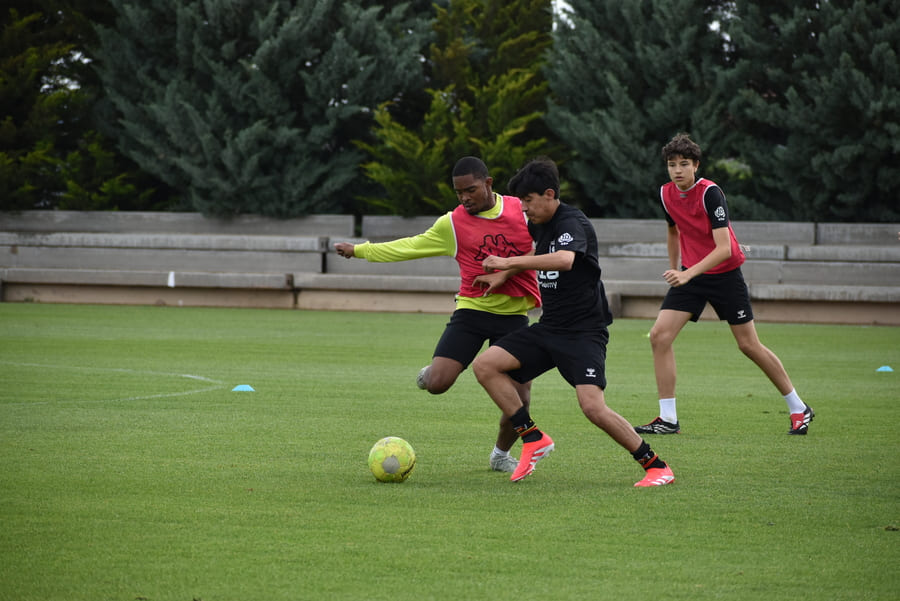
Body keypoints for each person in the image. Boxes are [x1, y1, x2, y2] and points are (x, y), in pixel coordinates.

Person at [471, 157, 675, 487]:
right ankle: (533, 437)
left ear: (549, 194)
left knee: (593, 407)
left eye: (529, 200)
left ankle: (656, 466)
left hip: (584, 333)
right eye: (522, 201)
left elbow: (565, 260)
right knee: (485, 366)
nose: (525, 208)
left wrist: (509, 261)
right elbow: (540, 256)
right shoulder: (540, 224)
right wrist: (506, 274)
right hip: (550, 328)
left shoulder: (572, 223)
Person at [334, 156, 541, 472]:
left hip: (514, 317)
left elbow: (543, 247)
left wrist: (509, 269)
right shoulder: (452, 224)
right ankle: (430, 371)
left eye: (470, 190)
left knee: (521, 402)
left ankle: (500, 455)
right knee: (437, 384)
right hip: (472, 311)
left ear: (488, 183)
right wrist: (360, 250)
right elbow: (410, 247)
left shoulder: (520, 209)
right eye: (459, 192)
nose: (464, 198)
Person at [633, 133, 813, 436]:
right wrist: (676, 267)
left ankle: (798, 407)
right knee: (659, 336)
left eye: (684, 164)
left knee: (748, 345)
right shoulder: (665, 194)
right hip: (691, 274)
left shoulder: (710, 194)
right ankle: (668, 419)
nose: (677, 170)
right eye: (672, 165)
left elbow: (724, 249)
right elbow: (673, 230)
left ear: (696, 165)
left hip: (725, 274)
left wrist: (687, 274)